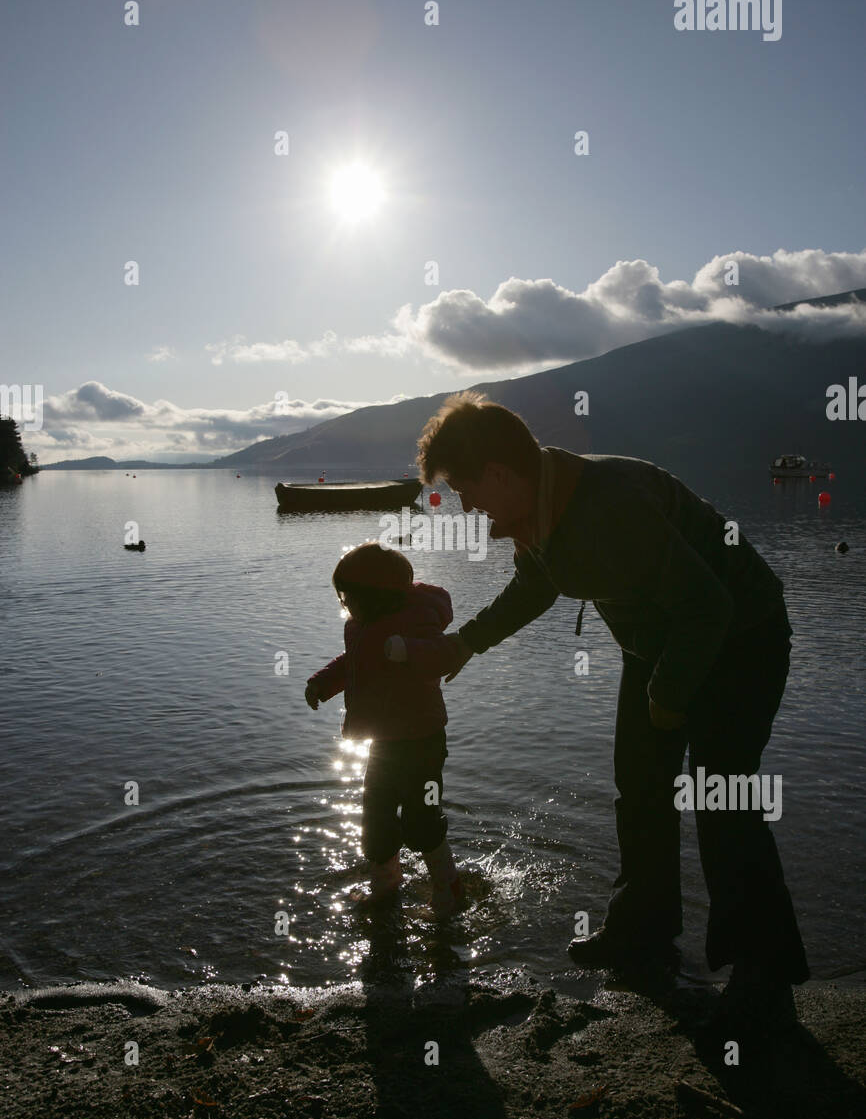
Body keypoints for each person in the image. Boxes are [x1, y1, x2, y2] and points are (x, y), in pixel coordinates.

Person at [416, 391, 809, 1035]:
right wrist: (465, 643)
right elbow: (537, 583)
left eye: (465, 489)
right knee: (642, 786)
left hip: (741, 637)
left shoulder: (610, 503)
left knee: (722, 797)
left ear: (500, 474)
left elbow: (709, 607)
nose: (468, 506)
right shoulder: (539, 503)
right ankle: (641, 934)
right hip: (656, 642)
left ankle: (763, 973)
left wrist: (669, 697)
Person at [305, 542, 465, 917]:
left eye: (350, 597)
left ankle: (449, 888)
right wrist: (322, 683)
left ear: (378, 595)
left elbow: (442, 656)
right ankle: (386, 884)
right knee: (375, 819)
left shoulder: (418, 622)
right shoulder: (360, 627)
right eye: (343, 597)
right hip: (382, 746)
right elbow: (352, 663)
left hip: (422, 743)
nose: (346, 605)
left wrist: (408, 650)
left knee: (422, 821)